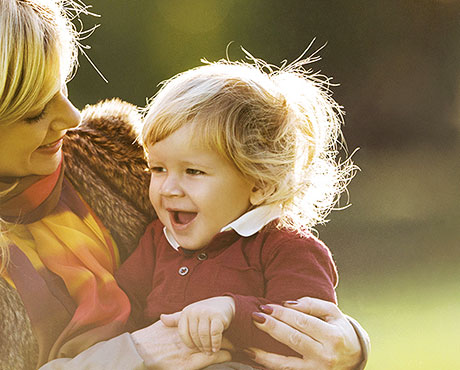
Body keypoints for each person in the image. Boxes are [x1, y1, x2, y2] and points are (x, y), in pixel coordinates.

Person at [0, 1, 370, 369]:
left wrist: (349, 346)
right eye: (34, 112)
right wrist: (136, 355)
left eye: (63, 87)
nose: (70, 116)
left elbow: (257, 261)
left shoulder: (115, 154)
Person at [114, 57, 358, 369]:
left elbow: (310, 339)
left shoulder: (287, 249)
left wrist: (232, 310)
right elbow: (116, 311)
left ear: (259, 183)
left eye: (193, 171)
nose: (169, 188)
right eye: (158, 169)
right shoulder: (156, 241)